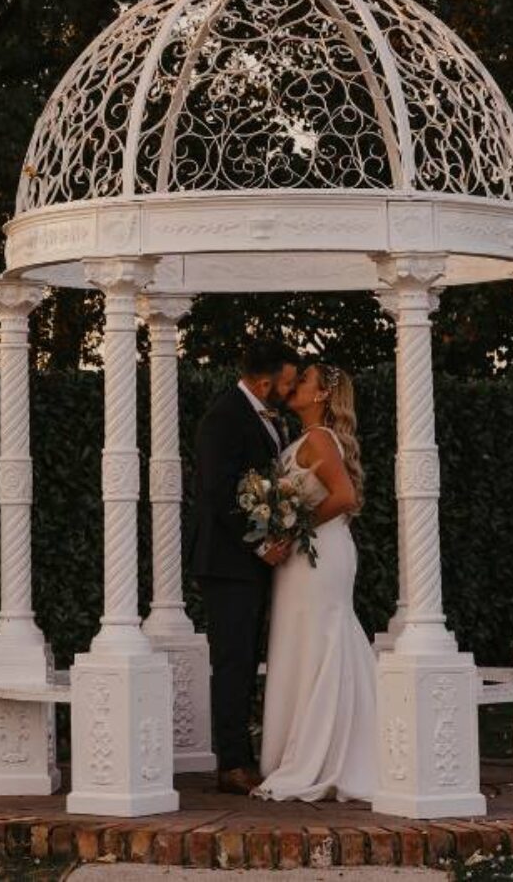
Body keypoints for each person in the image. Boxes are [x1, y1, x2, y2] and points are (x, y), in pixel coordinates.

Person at [253, 360, 379, 802]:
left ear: (323, 394)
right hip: (307, 556)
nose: (294, 386)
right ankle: (310, 747)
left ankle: (325, 754)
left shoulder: (321, 439)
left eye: (303, 380)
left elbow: (345, 497)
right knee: (306, 643)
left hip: (320, 556)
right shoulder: (305, 439)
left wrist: (291, 528)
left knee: (322, 642)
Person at [188, 338, 300, 796]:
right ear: (264, 380)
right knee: (233, 661)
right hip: (228, 561)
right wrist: (258, 544)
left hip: (251, 563)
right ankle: (230, 762)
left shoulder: (270, 417)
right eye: (287, 381)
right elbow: (218, 492)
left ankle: (246, 754)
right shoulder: (224, 417)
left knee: (247, 658)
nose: (290, 390)